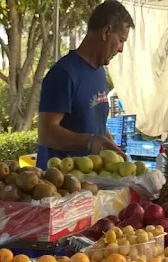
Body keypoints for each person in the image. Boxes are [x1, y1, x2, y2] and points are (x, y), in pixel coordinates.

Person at [37, 0, 134, 169]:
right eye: (120, 40)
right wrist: (90, 141)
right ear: (106, 32)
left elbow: (94, 122)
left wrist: (111, 146)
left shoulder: (99, 72)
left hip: (92, 181)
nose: (121, 49)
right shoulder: (63, 74)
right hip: (60, 181)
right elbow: (46, 134)